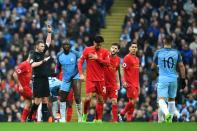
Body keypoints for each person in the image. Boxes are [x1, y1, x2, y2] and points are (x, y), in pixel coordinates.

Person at [151, 35, 186, 123]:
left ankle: (167, 114)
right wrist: (183, 79)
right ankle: (169, 121)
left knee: (161, 100)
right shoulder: (176, 52)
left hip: (163, 78)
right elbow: (181, 66)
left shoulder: (158, 52)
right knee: (171, 99)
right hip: (174, 78)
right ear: (171, 42)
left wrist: (157, 72)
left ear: (164, 41)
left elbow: (152, 67)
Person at [78, 35, 110, 123]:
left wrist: (97, 58)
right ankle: (84, 115)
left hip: (100, 79)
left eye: (100, 45)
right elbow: (80, 62)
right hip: (90, 79)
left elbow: (107, 63)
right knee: (88, 98)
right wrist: (81, 74)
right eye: (97, 45)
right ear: (94, 43)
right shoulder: (87, 50)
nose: (99, 46)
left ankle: (98, 119)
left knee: (100, 99)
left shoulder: (105, 51)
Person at [27, 25, 52, 122]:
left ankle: (45, 120)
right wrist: (43, 61)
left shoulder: (42, 52)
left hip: (44, 78)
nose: (43, 47)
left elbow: (48, 43)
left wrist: (49, 32)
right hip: (37, 79)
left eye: (43, 46)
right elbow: (32, 65)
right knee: (37, 101)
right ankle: (30, 117)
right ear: (37, 46)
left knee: (45, 99)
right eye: (41, 46)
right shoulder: (33, 53)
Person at [56, 39, 82, 122]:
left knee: (77, 97)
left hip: (75, 76)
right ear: (62, 46)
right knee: (62, 98)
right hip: (66, 78)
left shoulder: (75, 53)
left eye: (68, 45)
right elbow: (58, 67)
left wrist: (81, 72)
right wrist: (55, 74)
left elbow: (82, 61)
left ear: (70, 46)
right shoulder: (59, 55)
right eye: (65, 45)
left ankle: (80, 118)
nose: (66, 46)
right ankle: (62, 119)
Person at [119, 41, 140, 122]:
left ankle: (128, 119)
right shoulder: (127, 57)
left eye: (135, 47)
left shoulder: (137, 59)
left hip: (136, 83)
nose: (134, 49)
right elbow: (122, 69)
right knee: (134, 101)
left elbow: (137, 73)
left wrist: (139, 85)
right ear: (129, 48)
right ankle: (122, 113)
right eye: (132, 47)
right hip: (130, 83)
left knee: (132, 102)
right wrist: (123, 81)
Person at [13, 51, 34, 122]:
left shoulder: (30, 66)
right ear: (31, 57)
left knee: (28, 103)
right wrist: (20, 85)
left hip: (27, 87)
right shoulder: (24, 64)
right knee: (36, 100)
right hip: (24, 88)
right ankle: (33, 119)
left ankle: (22, 121)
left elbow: (27, 77)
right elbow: (14, 74)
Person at [102, 43, 121, 122]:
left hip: (113, 84)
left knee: (114, 101)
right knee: (101, 101)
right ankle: (97, 118)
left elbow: (116, 71)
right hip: (104, 84)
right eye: (112, 47)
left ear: (118, 50)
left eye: (115, 48)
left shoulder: (118, 59)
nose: (113, 49)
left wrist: (118, 82)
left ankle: (115, 120)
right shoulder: (105, 56)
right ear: (110, 48)